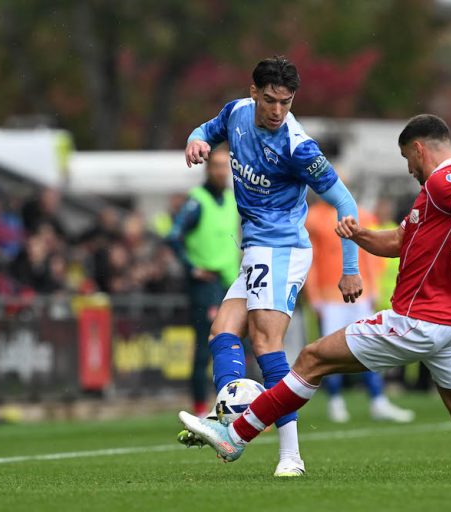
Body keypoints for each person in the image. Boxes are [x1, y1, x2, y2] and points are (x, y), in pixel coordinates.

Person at [178, 114, 451, 477]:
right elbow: (399, 242)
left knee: (311, 358)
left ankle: (236, 435)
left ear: (420, 149)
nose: (409, 168)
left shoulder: (446, 182)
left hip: (418, 320)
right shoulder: (436, 195)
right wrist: (360, 235)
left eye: (408, 158)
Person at [177, 56, 363, 477]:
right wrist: (195, 140)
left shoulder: (299, 147)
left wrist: (350, 268)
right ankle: (226, 420)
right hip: (255, 248)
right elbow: (208, 129)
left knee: (266, 345)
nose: (278, 110)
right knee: (222, 330)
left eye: (286, 101)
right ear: (253, 92)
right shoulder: (237, 113)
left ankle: (291, 456)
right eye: (270, 100)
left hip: (282, 249)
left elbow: (345, 203)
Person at [304, 197, 413, 423]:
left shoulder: (362, 214)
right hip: (329, 294)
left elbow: (371, 254)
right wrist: (313, 294)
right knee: (329, 350)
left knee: (370, 346)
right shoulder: (313, 217)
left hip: (360, 293)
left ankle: (377, 399)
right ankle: (335, 400)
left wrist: (373, 288)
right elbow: (311, 258)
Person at [167, 146, 241, 415]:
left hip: (230, 283)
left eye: (226, 167)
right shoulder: (197, 200)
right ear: (208, 169)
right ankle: (199, 406)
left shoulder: (233, 199)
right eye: (218, 167)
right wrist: (192, 268)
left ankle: (236, 404)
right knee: (204, 346)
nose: (222, 172)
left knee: (236, 343)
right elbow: (174, 235)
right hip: (205, 285)